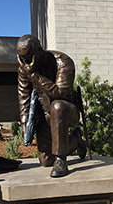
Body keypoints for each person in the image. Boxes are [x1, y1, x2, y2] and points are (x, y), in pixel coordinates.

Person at [17, 34, 85, 177]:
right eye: (22, 59)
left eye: (29, 58)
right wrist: (24, 124)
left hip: (67, 111)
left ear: (39, 51)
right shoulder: (25, 67)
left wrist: (34, 75)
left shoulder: (63, 62)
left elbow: (59, 93)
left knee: (57, 106)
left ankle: (61, 160)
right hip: (45, 114)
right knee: (46, 160)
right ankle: (76, 139)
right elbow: (24, 95)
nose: (26, 62)